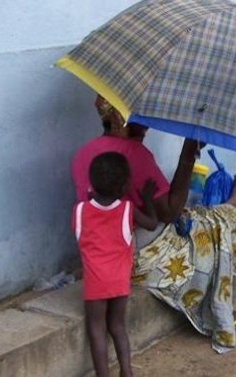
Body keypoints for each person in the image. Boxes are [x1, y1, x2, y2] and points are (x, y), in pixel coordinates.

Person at [71, 95, 236, 354]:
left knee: (194, 215)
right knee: (213, 225)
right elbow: (169, 213)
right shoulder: (134, 154)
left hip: (100, 257)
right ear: (123, 119)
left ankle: (230, 206)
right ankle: (217, 306)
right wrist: (188, 152)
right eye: (140, 118)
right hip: (135, 256)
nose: (146, 125)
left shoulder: (84, 153)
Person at [72, 151, 159, 377]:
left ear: (91, 181)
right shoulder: (127, 210)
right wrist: (148, 199)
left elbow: (80, 235)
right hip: (119, 281)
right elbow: (151, 224)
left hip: (95, 283)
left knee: (96, 328)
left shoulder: (80, 211)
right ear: (124, 187)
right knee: (118, 326)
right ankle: (127, 371)